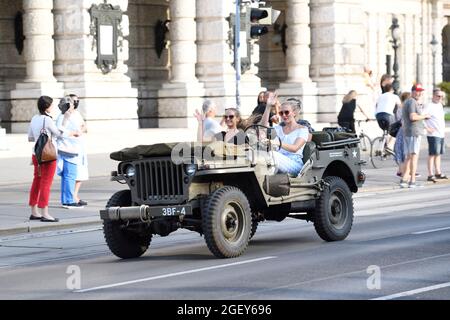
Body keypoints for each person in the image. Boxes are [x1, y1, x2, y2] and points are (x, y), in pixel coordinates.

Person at [27, 96, 78, 222]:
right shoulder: (47, 120)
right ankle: (45, 213)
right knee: (46, 183)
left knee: (36, 181)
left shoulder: (34, 118)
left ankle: (34, 211)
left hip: (36, 154)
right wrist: (65, 120)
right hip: (48, 155)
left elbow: (30, 138)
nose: (53, 107)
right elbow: (59, 134)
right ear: (47, 107)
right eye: (51, 105)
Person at [261, 93, 310, 176]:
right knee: (258, 154)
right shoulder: (278, 128)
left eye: (286, 112)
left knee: (272, 155)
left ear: (294, 113)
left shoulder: (303, 129)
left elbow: (295, 148)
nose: (284, 115)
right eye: (281, 113)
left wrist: (277, 142)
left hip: (295, 164)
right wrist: (268, 106)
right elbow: (262, 128)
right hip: (277, 160)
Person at [400, 83, 430, 188]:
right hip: (414, 132)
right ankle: (412, 181)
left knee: (408, 157)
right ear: (412, 91)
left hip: (408, 132)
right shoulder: (412, 102)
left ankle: (404, 179)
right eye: (417, 91)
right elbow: (413, 117)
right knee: (414, 157)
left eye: (420, 91)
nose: (419, 93)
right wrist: (425, 116)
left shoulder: (408, 101)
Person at [56, 97, 84, 208]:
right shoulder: (64, 116)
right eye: (71, 105)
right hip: (69, 149)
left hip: (69, 148)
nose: (73, 107)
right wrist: (74, 133)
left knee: (67, 176)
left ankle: (66, 199)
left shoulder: (64, 116)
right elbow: (60, 131)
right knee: (70, 176)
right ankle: (68, 200)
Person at [69, 94, 89, 206]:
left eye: (77, 101)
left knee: (81, 173)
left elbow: (84, 126)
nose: (76, 103)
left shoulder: (77, 114)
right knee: (73, 173)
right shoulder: (65, 116)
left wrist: (81, 129)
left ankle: (75, 195)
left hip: (80, 146)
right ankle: (71, 196)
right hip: (71, 148)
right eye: (74, 101)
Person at [423, 89, 447, 182]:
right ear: (433, 96)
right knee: (432, 154)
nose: (440, 98)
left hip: (440, 133)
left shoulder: (440, 105)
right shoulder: (429, 105)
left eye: (441, 96)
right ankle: (430, 174)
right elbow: (422, 116)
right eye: (438, 96)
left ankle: (438, 172)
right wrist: (427, 128)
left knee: (438, 154)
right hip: (433, 134)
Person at [375, 83, 401, 152]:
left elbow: (377, 105)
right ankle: (389, 146)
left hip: (378, 116)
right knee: (397, 128)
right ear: (392, 89)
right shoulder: (395, 96)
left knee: (385, 131)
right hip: (387, 115)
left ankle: (380, 148)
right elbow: (400, 107)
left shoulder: (380, 96)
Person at [394, 92, 411, 178]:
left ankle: (401, 170)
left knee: (400, 151)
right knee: (405, 152)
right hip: (405, 131)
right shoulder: (405, 108)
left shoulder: (399, 108)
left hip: (400, 131)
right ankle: (405, 171)